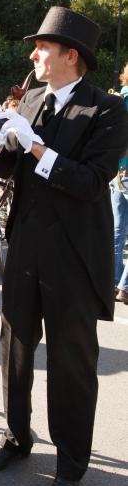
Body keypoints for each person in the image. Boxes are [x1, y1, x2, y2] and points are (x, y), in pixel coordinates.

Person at [0, 7, 128, 486]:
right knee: (15, 351)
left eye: (42, 47)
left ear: (72, 56)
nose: (33, 54)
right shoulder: (35, 100)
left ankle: (70, 465)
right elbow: (13, 170)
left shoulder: (107, 110)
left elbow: (88, 182)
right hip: (26, 247)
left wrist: (36, 148)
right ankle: (17, 439)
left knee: (71, 363)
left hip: (73, 257)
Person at [111, 62, 128, 304]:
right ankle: (124, 285)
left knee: (116, 230)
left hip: (117, 170)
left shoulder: (116, 99)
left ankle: (114, 281)